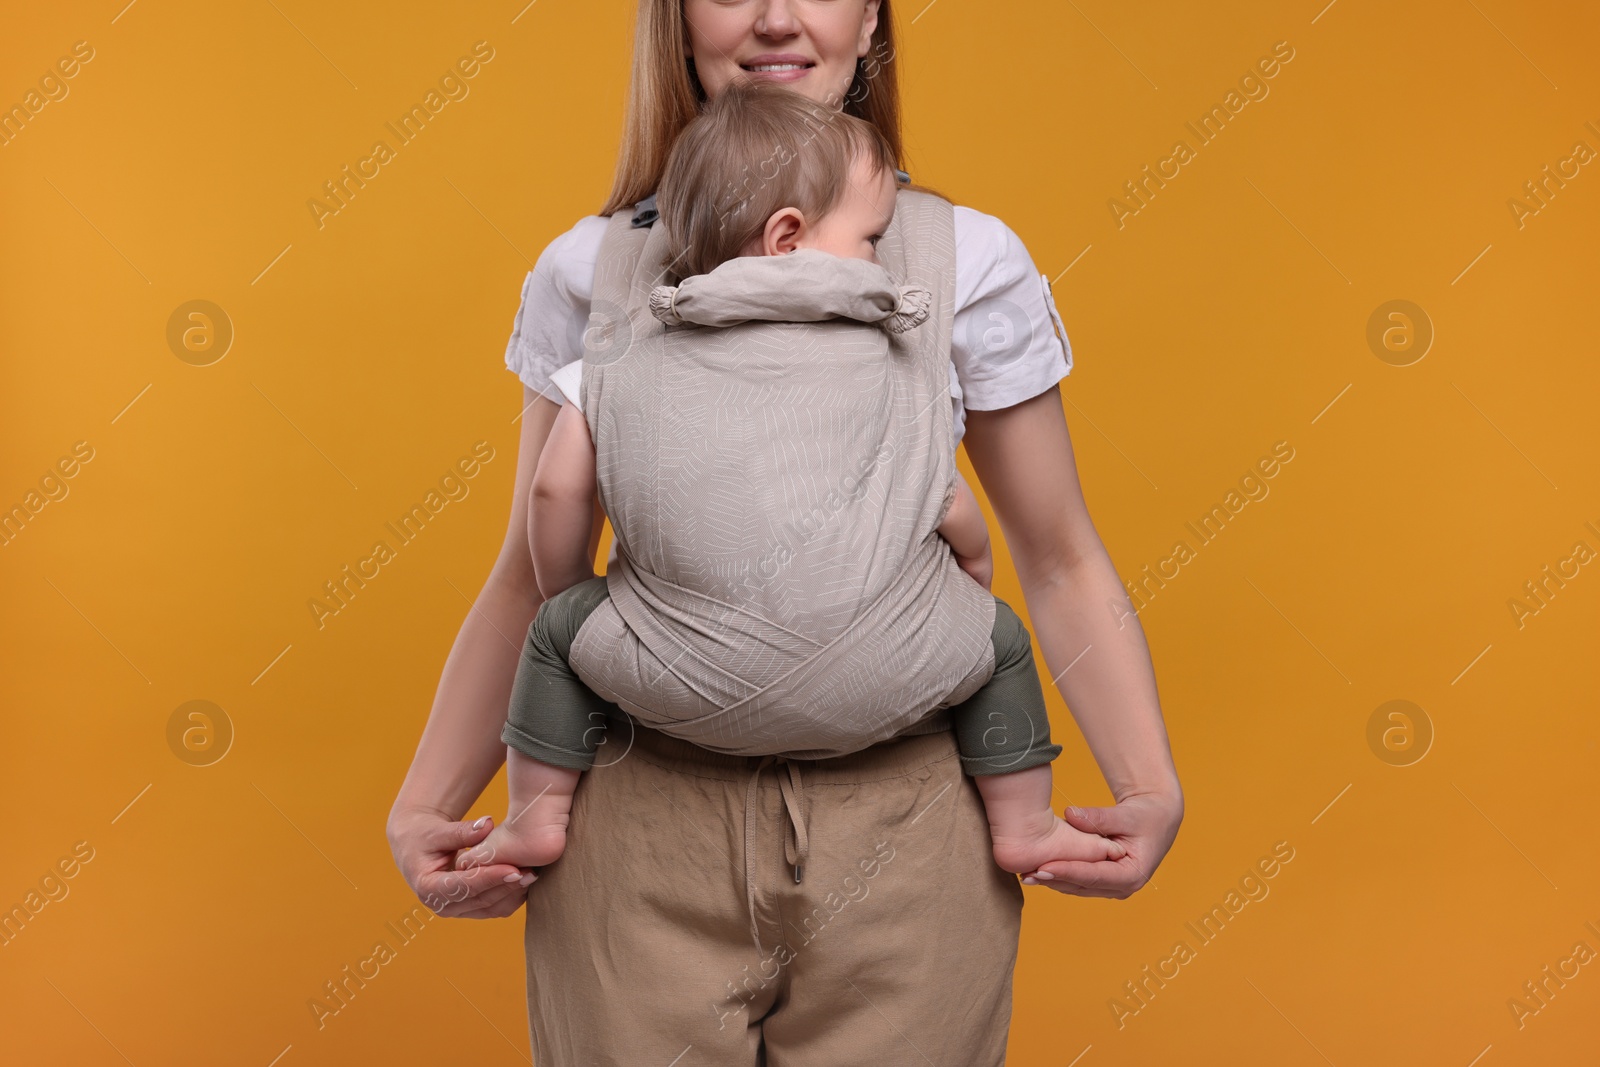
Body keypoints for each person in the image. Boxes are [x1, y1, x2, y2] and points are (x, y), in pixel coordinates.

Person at [388, 2, 1183, 1061]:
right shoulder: (589, 268)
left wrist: (1147, 784)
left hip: (910, 837)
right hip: (635, 832)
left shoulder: (968, 258)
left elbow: (1059, 551)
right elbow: (523, 581)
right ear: (671, 21)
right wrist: (425, 803)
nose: (773, 16)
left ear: (868, 16)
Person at [466, 78, 1128, 890]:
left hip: (673, 684)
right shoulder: (890, 346)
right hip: (891, 676)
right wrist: (973, 576)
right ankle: (1023, 825)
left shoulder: (623, 349)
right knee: (1001, 642)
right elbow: (946, 497)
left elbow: (554, 491)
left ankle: (535, 817)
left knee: (555, 636)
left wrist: (576, 593)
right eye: (871, 236)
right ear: (787, 236)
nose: (882, 255)